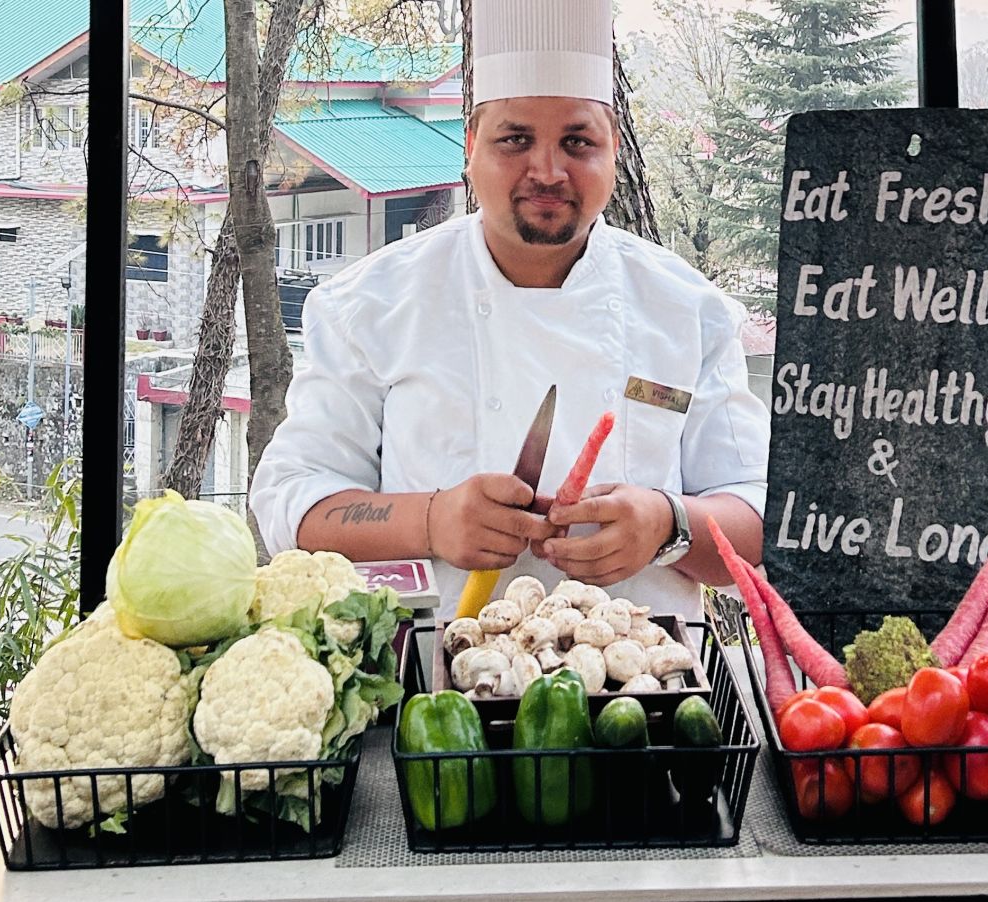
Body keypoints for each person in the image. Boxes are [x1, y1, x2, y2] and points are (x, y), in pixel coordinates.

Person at [249, 0, 769, 619]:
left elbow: (763, 518)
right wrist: (431, 519)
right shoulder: (370, 305)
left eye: (577, 142)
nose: (547, 170)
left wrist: (667, 524)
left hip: (642, 691)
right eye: (515, 139)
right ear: (471, 146)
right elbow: (290, 503)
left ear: (613, 152)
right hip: (429, 688)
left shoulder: (687, 310)